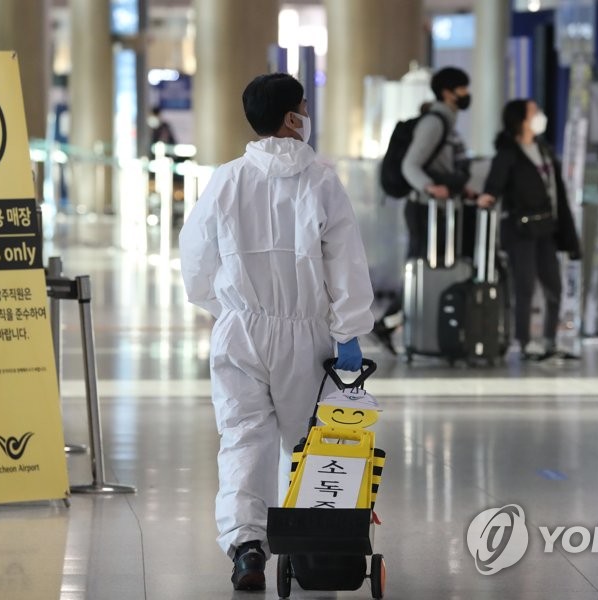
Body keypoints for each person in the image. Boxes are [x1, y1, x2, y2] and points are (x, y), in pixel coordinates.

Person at [179, 73, 374, 592]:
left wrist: (226, 309)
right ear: (292, 118)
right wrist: (349, 331)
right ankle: (314, 546)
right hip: (304, 338)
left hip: (239, 330)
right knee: (308, 443)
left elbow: (195, 260)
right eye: (304, 107)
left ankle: (247, 547)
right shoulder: (322, 181)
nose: (307, 113)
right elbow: (346, 264)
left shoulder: (226, 179)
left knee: (242, 436)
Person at [373, 66, 483, 352]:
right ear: (447, 92)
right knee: (420, 267)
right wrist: (430, 188)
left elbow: (444, 166)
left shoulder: (446, 121)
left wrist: (460, 190)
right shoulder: (434, 123)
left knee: (425, 267)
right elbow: (410, 165)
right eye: (462, 88)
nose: (466, 94)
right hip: (426, 211)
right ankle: (388, 322)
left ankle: (396, 323)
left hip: (439, 209)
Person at [479, 99, 580, 360]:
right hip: (519, 229)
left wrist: (568, 236)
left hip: (546, 227)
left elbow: (557, 195)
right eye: (534, 112)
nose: (539, 117)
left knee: (553, 286)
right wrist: (487, 197)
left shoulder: (544, 152)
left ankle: (549, 340)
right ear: (521, 120)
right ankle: (522, 341)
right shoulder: (508, 153)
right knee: (524, 285)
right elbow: (494, 186)